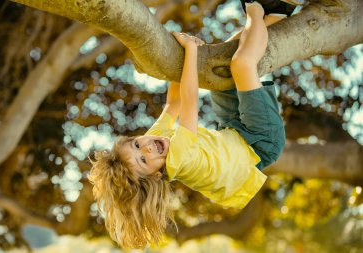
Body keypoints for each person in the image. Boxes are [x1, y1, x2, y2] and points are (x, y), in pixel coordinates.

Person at [89, 1, 287, 249]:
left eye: (137, 144)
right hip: (261, 143)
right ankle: (256, 9)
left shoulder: (155, 143)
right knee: (242, 64)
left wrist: (179, 59)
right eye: (143, 160)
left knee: (218, 61)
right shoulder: (178, 159)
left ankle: (275, 18)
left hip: (234, 130)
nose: (147, 148)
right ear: (156, 175)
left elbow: (173, 103)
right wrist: (190, 50)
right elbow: (190, 100)